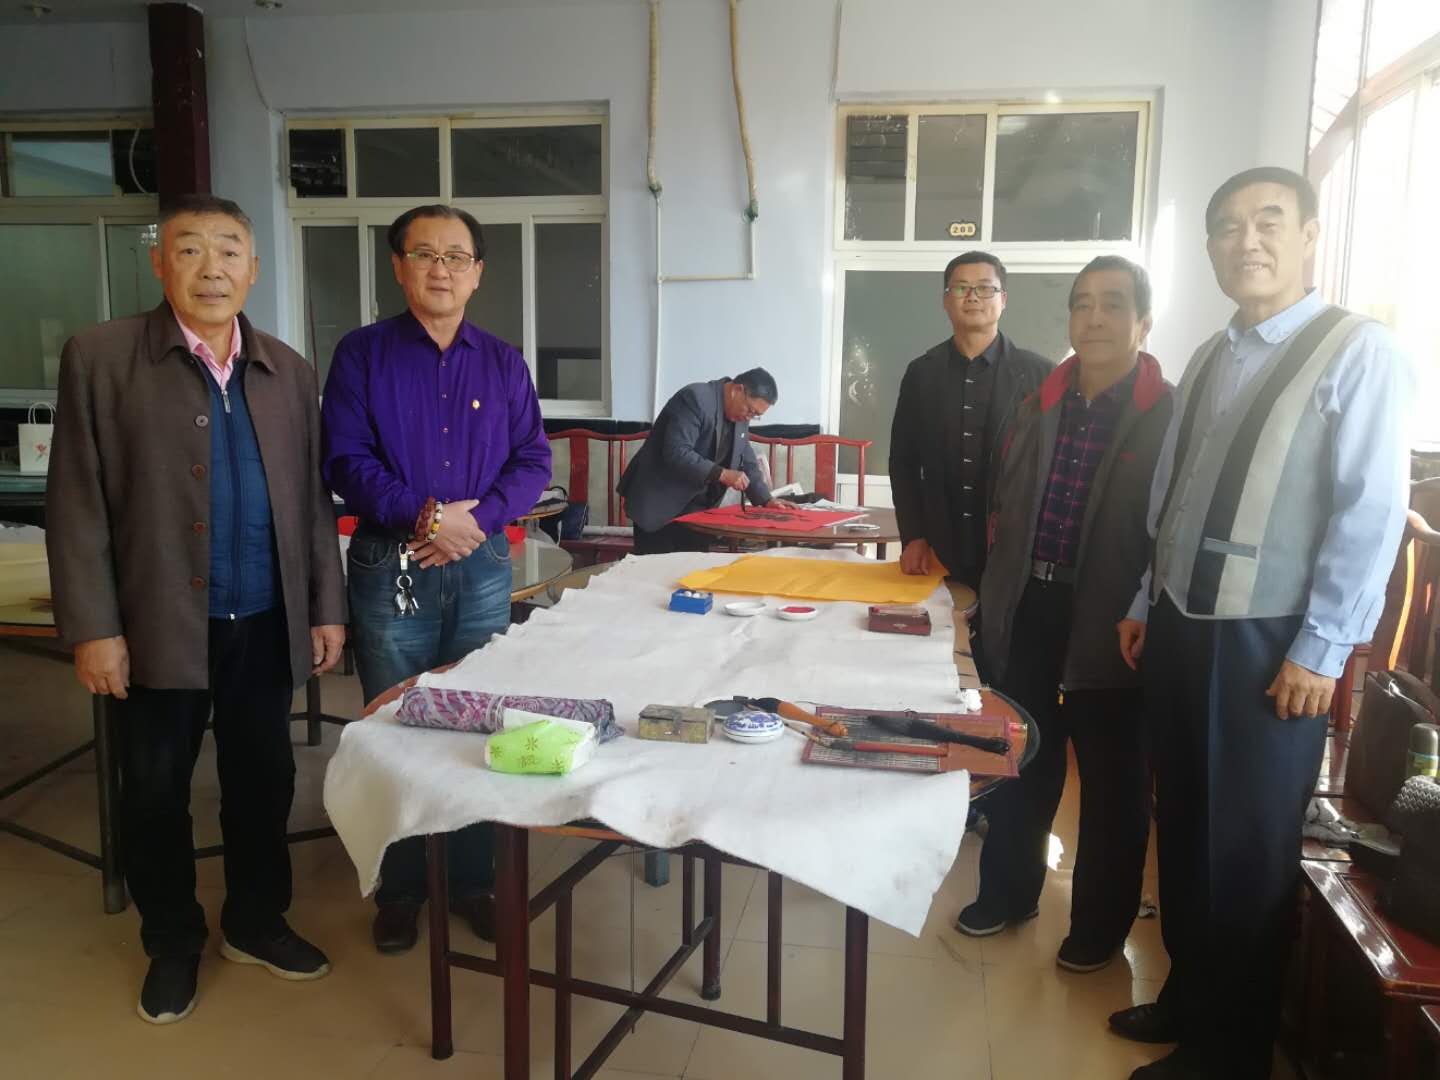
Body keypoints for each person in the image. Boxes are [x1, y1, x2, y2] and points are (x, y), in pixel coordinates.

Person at [1111, 168, 1414, 1080]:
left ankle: (1230, 1053)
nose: (1247, 240)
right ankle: (1190, 1000)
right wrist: (1146, 598)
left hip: (1271, 639)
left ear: (1310, 236)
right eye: (1228, 227)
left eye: (1269, 222)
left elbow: (1369, 513)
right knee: (1184, 823)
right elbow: (1173, 492)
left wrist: (1322, 649)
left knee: (1244, 848)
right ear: (1209, 247)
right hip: (1180, 624)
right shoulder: (1212, 353)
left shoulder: (1359, 351)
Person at [47, 194, 347, 1025]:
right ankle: (172, 939)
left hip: (263, 617)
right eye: (189, 250)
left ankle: (255, 921)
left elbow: (312, 502)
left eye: (228, 251)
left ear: (254, 269)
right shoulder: (102, 358)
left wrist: (324, 607)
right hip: (154, 626)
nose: (211, 269)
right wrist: (94, 628)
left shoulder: (289, 370)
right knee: (152, 789)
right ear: (159, 263)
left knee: (265, 780)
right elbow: (75, 503)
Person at [321, 204, 551, 955]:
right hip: (393, 560)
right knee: (397, 722)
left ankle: (475, 879)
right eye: (425, 254)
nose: (441, 269)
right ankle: (402, 887)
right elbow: (345, 459)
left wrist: (474, 522)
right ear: (399, 266)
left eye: (457, 256)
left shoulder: (504, 362)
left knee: (480, 719)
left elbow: (532, 460)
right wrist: (425, 518)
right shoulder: (362, 355)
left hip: (479, 563)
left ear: (478, 273)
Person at [955, 257, 1171, 977]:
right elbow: (1003, 505)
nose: (1095, 317)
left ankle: (1098, 928)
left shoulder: (1168, 414)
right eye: (1083, 304)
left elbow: (1172, 529)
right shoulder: (1039, 401)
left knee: (1111, 780)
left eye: (1114, 304)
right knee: (1019, 755)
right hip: (1032, 606)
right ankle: (1008, 893)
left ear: (1143, 321)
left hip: (1115, 619)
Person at [890, 251, 1053, 591]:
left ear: (1003, 299)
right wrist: (913, 536)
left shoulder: (1039, 376)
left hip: (1014, 551)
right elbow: (903, 462)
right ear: (945, 300)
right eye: (961, 288)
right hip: (939, 548)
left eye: (985, 288)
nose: (973, 296)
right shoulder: (922, 374)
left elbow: (1050, 467)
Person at [617, 368, 797, 555]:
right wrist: (722, 474)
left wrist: (767, 500)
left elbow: (746, 459)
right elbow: (677, 451)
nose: (749, 417)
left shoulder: (740, 414)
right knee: (654, 571)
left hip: (696, 511)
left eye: (755, 415)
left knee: (693, 569)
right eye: (751, 411)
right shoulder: (695, 398)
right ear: (738, 390)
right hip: (660, 501)